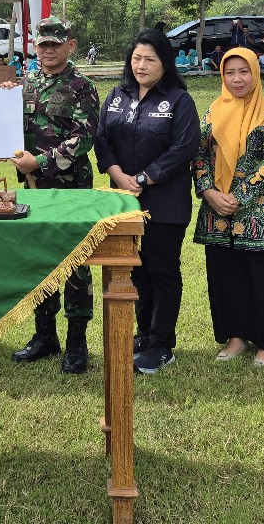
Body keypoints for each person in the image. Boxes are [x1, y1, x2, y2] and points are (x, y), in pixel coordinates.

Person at [95, 28, 201, 375]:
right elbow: (102, 140)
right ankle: (143, 335)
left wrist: (143, 178)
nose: (141, 65)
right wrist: (118, 175)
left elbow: (184, 147)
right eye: (137, 58)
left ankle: (161, 344)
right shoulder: (116, 95)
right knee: (135, 269)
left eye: (150, 59)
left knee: (162, 269)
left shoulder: (179, 100)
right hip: (124, 200)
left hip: (165, 200)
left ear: (165, 63)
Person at [4, 17, 101, 374]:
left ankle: (77, 341)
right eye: (42, 44)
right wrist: (4, 102)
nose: (48, 49)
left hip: (70, 186)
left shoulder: (82, 86)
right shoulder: (26, 83)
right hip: (32, 188)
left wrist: (41, 161)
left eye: (55, 44)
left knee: (76, 263)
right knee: (37, 258)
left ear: (70, 45)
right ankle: (44, 335)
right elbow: (12, 125)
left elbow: (84, 138)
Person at [192, 47, 264, 367]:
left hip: (257, 211)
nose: (237, 79)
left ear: (255, 72)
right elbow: (199, 155)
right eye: (230, 73)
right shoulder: (212, 112)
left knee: (262, 277)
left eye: (244, 71)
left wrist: (240, 196)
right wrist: (208, 191)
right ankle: (235, 336)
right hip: (216, 210)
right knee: (225, 275)